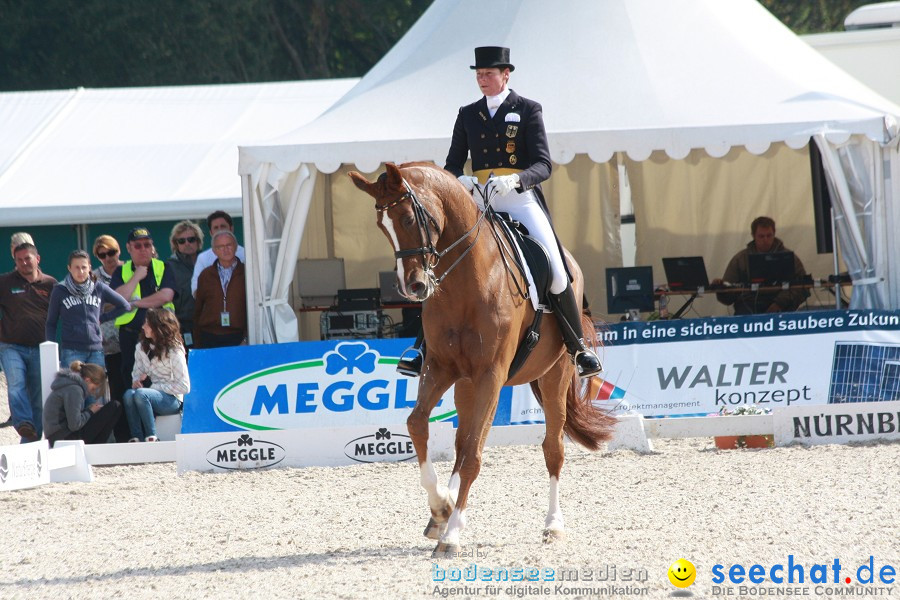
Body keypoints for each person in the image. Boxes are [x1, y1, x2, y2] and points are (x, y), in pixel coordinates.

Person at [396, 46, 601, 378]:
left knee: (558, 270)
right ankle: (420, 349)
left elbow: (543, 164)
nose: (483, 80)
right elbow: (451, 163)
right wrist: (459, 180)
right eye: (478, 75)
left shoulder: (528, 109)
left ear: (506, 75)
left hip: (518, 199)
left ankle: (578, 348)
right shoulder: (467, 114)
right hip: (477, 201)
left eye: (489, 74)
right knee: (442, 266)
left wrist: (517, 180)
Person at [0, 242, 58, 442]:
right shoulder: (5, 282)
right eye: (19, 260)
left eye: (28, 258)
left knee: (39, 397)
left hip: (41, 347)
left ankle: (30, 445)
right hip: (10, 345)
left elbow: (62, 314)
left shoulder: (51, 284)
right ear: (15, 262)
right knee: (16, 384)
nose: (24, 263)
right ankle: (22, 422)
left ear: (38, 259)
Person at [45, 250, 130, 376]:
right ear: (69, 268)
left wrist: (102, 318)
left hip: (96, 350)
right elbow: (51, 323)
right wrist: (51, 349)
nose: (80, 272)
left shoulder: (98, 287)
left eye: (84, 267)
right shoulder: (60, 290)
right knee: (73, 390)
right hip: (71, 350)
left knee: (95, 394)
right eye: (76, 268)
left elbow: (124, 306)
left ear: (89, 267)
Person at [111, 227, 176, 391]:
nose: (143, 249)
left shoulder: (164, 267)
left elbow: (166, 296)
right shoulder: (121, 271)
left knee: (158, 380)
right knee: (130, 380)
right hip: (130, 335)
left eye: (147, 245)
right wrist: (136, 277)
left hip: (158, 335)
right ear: (128, 248)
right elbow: (117, 299)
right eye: (138, 246)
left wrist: (135, 303)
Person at [712, 216, 810, 314]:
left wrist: (779, 303)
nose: (765, 240)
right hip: (748, 308)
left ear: (774, 234)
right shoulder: (740, 259)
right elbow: (728, 297)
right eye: (761, 236)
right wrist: (720, 288)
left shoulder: (789, 258)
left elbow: (803, 286)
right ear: (753, 236)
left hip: (783, 307)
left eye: (769, 235)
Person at [123, 308, 189, 442]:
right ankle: (137, 437)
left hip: (172, 400)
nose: (143, 327)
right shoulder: (141, 347)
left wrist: (155, 387)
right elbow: (136, 374)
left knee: (142, 394)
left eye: (147, 324)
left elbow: (185, 386)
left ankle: (151, 436)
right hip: (149, 395)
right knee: (129, 394)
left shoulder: (174, 350)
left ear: (158, 326)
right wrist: (136, 381)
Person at [42, 361, 122, 447]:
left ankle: (97, 447)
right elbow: (75, 425)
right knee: (115, 406)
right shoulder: (75, 390)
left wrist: (88, 411)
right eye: (93, 388)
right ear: (87, 380)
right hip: (64, 437)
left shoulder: (69, 386)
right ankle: (96, 447)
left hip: (58, 435)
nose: (92, 392)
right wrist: (90, 412)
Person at [193, 230, 248, 348]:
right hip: (209, 337)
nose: (225, 249)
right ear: (214, 250)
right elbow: (198, 309)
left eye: (229, 245)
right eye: (220, 246)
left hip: (237, 336)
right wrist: (198, 343)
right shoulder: (205, 275)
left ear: (236, 247)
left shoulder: (246, 273)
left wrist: (246, 338)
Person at [92, 234, 127, 403]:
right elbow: (93, 305)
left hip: (130, 334)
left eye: (111, 253)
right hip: (108, 341)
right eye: (102, 255)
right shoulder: (93, 277)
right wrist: (122, 300)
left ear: (119, 251)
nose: (108, 258)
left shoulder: (130, 269)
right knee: (114, 385)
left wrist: (108, 302)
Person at [166, 220, 204, 349]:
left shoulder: (208, 261)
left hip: (208, 325)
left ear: (198, 241)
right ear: (175, 244)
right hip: (182, 326)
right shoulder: (169, 266)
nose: (187, 243)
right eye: (181, 241)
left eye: (191, 239)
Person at [190, 211, 245, 296]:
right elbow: (196, 289)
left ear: (231, 228)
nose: (220, 230)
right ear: (211, 233)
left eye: (223, 226)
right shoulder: (203, 258)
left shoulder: (246, 254)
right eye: (216, 228)